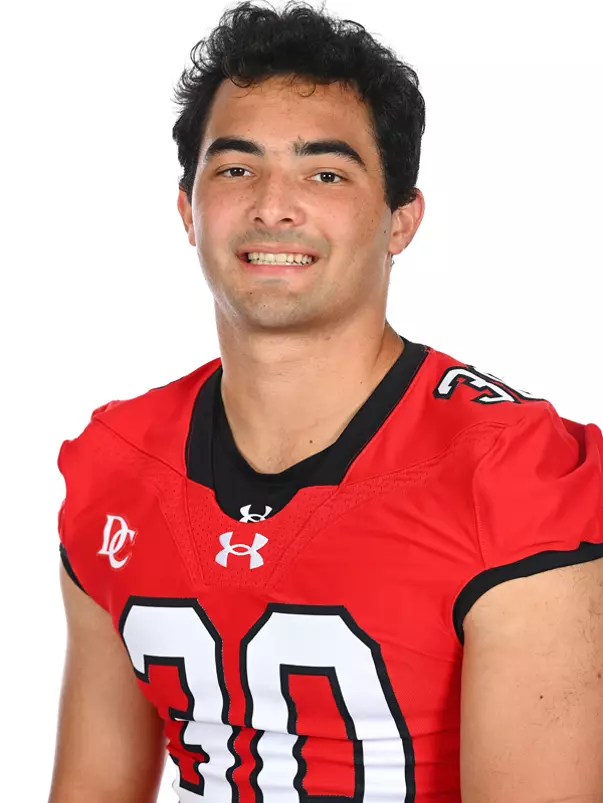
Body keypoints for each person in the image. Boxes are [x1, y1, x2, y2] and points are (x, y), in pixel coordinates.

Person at [48, 2, 603, 801]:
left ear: (400, 221)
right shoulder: (117, 461)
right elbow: (92, 787)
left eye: (325, 173)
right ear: (187, 211)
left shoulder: (514, 474)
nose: (274, 205)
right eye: (235, 168)